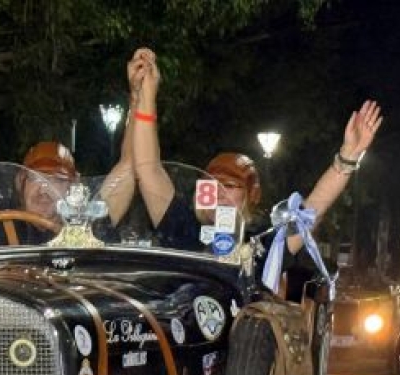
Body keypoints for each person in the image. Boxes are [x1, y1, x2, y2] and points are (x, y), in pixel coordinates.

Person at [129, 50, 383, 272]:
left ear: (250, 195)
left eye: (229, 185)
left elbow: (312, 210)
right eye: (212, 184)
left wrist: (348, 156)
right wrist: (146, 95)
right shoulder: (182, 224)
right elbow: (148, 169)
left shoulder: (262, 242)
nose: (218, 193)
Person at [0, 53, 142, 244]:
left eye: (56, 179)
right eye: (35, 178)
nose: (44, 189)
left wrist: (139, 98)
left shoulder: (92, 222)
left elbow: (130, 166)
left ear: (74, 187)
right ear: (21, 182)